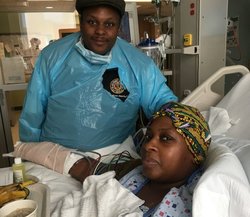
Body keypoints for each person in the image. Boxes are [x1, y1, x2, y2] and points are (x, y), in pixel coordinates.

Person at [13, 101, 235, 217]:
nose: (149, 145)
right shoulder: (133, 171)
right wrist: (22, 148)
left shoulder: (199, 208)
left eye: (165, 138)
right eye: (149, 137)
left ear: (194, 153)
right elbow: (82, 168)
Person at [19, 0, 177, 152]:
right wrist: (30, 152)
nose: (100, 31)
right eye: (92, 22)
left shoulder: (138, 64)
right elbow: (33, 114)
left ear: (119, 26)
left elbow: (164, 104)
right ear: (81, 21)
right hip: (56, 160)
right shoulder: (52, 57)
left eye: (109, 24)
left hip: (115, 160)